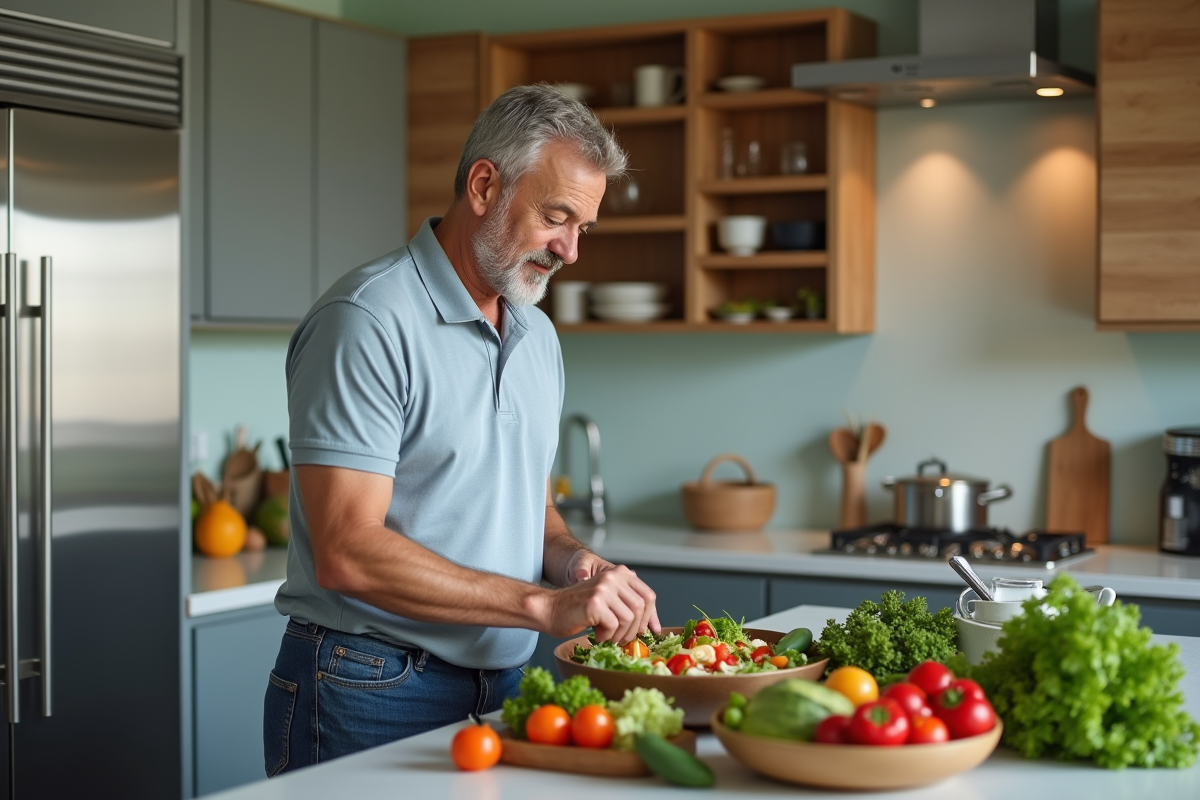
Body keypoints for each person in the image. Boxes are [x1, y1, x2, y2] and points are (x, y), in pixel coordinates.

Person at [262, 84, 660, 776]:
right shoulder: (367, 321)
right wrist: (542, 604)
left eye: (583, 228)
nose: (571, 251)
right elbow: (346, 551)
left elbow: (530, 515)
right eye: (556, 217)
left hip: (502, 685)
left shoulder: (535, 335)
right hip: (370, 685)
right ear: (484, 185)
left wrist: (577, 566)